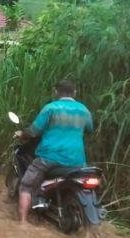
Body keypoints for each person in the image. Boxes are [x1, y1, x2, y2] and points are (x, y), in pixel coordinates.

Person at [15, 79, 94, 224]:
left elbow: (34, 131)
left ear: (55, 92)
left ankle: (22, 224)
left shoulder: (50, 108)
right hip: (78, 161)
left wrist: (22, 134)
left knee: (26, 186)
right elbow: (90, 129)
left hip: (49, 158)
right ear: (74, 92)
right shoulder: (84, 110)